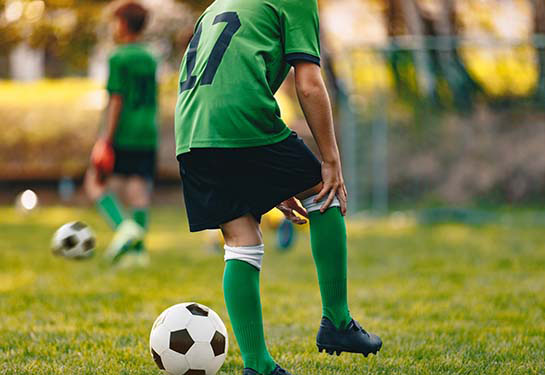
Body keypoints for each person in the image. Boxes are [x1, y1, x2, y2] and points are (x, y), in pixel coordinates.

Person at [174, 0, 382, 374]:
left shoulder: (218, 4)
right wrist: (331, 159)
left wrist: (273, 181)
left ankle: (258, 366)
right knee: (324, 191)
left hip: (191, 131)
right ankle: (337, 322)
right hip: (240, 119)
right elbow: (309, 83)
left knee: (241, 241)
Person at [85, 0, 158, 266]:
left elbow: (117, 99)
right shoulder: (150, 57)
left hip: (124, 131)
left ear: (124, 23)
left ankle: (124, 228)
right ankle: (139, 254)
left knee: (94, 182)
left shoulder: (118, 57)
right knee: (138, 190)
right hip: (147, 131)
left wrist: (106, 138)